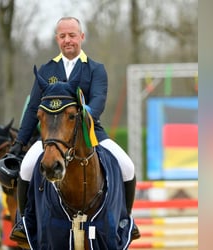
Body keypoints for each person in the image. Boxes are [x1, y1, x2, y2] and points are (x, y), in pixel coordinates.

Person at [9, 16, 140, 243]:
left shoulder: (95, 69)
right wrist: (18, 143)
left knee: (127, 166)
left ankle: (125, 219)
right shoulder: (46, 70)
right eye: (62, 36)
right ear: (57, 39)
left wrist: (83, 114)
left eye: (72, 35)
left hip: (91, 133)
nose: (68, 40)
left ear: (82, 37)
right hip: (53, 136)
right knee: (27, 167)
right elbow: (32, 109)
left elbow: (98, 100)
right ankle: (24, 221)